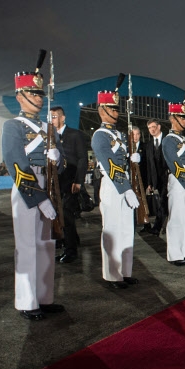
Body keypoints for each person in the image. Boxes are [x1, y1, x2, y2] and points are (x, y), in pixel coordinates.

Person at [3, 58, 65, 320]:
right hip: (27, 187)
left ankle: (44, 297)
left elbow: (60, 168)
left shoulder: (48, 128)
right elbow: (16, 164)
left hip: (48, 184)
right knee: (28, 246)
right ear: (20, 96)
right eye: (33, 93)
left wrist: (57, 158)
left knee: (46, 245)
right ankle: (27, 302)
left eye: (40, 93)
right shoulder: (12, 126)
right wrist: (39, 198)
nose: (39, 99)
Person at [91, 87, 139, 289]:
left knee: (127, 230)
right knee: (112, 230)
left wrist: (134, 157)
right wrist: (126, 188)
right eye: (111, 108)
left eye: (117, 109)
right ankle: (112, 275)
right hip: (113, 185)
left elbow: (123, 160)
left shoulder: (119, 134)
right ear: (102, 110)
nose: (116, 112)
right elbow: (110, 164)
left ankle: (125, 272)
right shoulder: (100, 136)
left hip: (124, 182)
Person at [162, 102, 185, 266]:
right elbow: (175, 163)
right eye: (182, 118)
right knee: (176, 218)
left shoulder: (184, 138)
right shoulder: (169, 140)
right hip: (178, 180)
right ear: (173, 118)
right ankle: (174, 254)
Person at [50, 106, 88, 264]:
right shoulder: (50, 137)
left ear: (63, 118)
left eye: (54, 116)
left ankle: (71, 251)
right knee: (59, 215)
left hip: (70, 181)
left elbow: (82, 159)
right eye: (50, 117)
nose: (52, 120)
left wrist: (79, 181)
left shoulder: (74, 134)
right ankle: (68, 242)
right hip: (55, 183)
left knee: (67, 215)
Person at [144, 118, 168, 235]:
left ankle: (157, 227)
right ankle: (164, 226)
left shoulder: (168, 140)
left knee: (163, 202)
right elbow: (149, 165)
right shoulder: (149, 145)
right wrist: (149, 182)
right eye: (149, 128)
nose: (151, 130)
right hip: (156, 179)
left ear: (159, 127)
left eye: (153, 127)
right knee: (163, 203)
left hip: (168, 178)